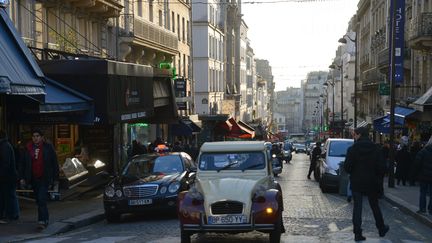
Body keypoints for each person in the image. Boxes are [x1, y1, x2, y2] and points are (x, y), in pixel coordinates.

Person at [344, 127, 389, 241]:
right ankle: (381, 228)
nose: (354, 136)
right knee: (375, 206)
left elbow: (347, 167)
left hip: (357, 182)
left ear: (359, 135)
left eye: (355, 134)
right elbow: (382, 167)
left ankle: (357, 233)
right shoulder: (376, 149)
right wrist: (377, 177)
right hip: (372, 182)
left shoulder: (353, 149)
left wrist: (355, 171)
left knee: (357, 208)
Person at [20, 129, 59, 229]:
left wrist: (55, 178)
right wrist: (22, 177)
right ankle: (45, 218)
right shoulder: (28, 148)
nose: (35, 138)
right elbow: (23, 164)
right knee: (39, 200)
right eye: (33, 136)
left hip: (44, 177)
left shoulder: (48, 147)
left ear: (41, 137)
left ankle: (42, 221)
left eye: (37, 136)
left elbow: (54, 163)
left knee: (42, 199)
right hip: (33, 178)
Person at [0, 130, 19, 223]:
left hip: (7, 177)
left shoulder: (4, 147)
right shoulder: (6, 145)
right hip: (9, 176)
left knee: (8, 196)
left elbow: (5, 163)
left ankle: (10, 215)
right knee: (10, 195)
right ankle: (13, 214)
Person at [412, 135, 432, 215]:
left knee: (423, 192)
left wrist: (416, 173)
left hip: (423, 175)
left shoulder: (423, 151)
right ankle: (431, 209)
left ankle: (422, 209)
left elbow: (417, 163)